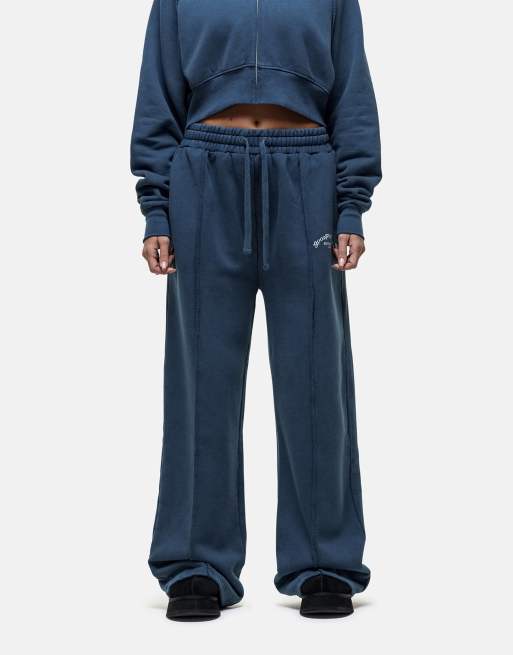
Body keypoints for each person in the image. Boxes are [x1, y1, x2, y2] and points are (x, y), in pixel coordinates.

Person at [130, 0, 381, 621]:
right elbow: (158, 95)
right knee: (201, 383)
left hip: (308, 174)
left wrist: (351, 205)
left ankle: (324, 562)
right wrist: (157, 208)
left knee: (315, 378)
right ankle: (196, 563)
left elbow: (352, 93)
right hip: (204, 175)